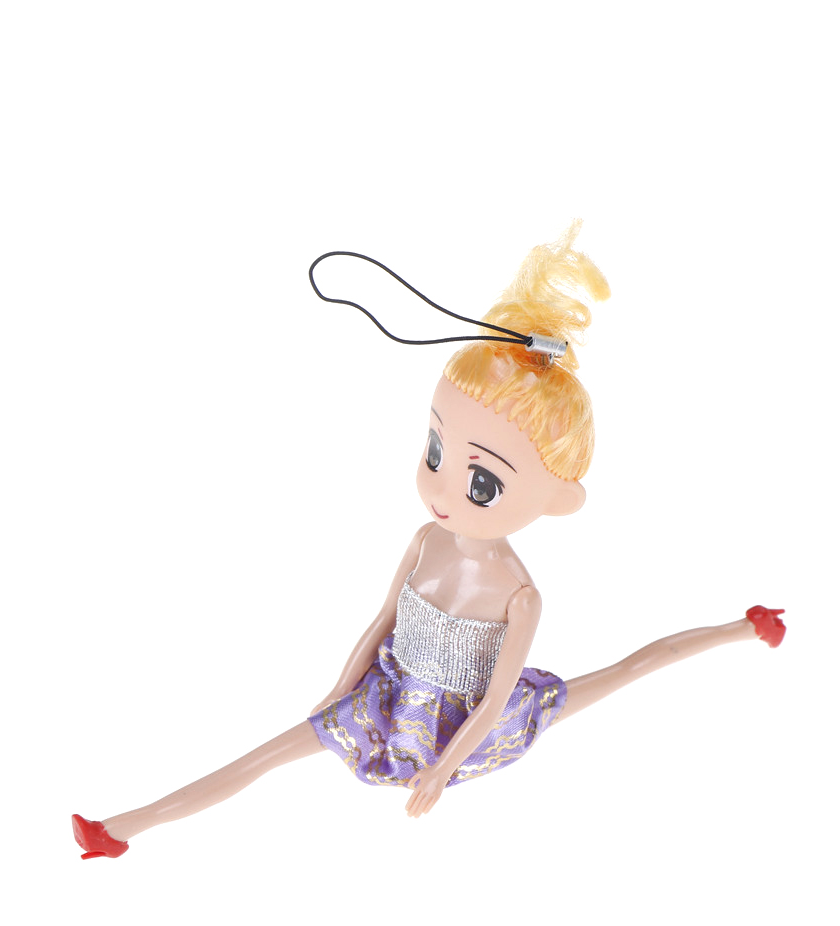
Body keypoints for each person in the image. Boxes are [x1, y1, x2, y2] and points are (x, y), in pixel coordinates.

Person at [72, 225, 784, 858]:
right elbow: (381, 621)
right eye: (436, 451)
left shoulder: (521, 596)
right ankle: (121, 829)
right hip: (384, 695)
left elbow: (495, 696)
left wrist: (444, 769)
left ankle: (746, 627)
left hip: (463, 726)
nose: (443, 490)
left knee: (627, 671)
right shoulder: (424, 538)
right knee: (265, 756)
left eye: (483, 484)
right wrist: (338, 691)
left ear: (558, 501)